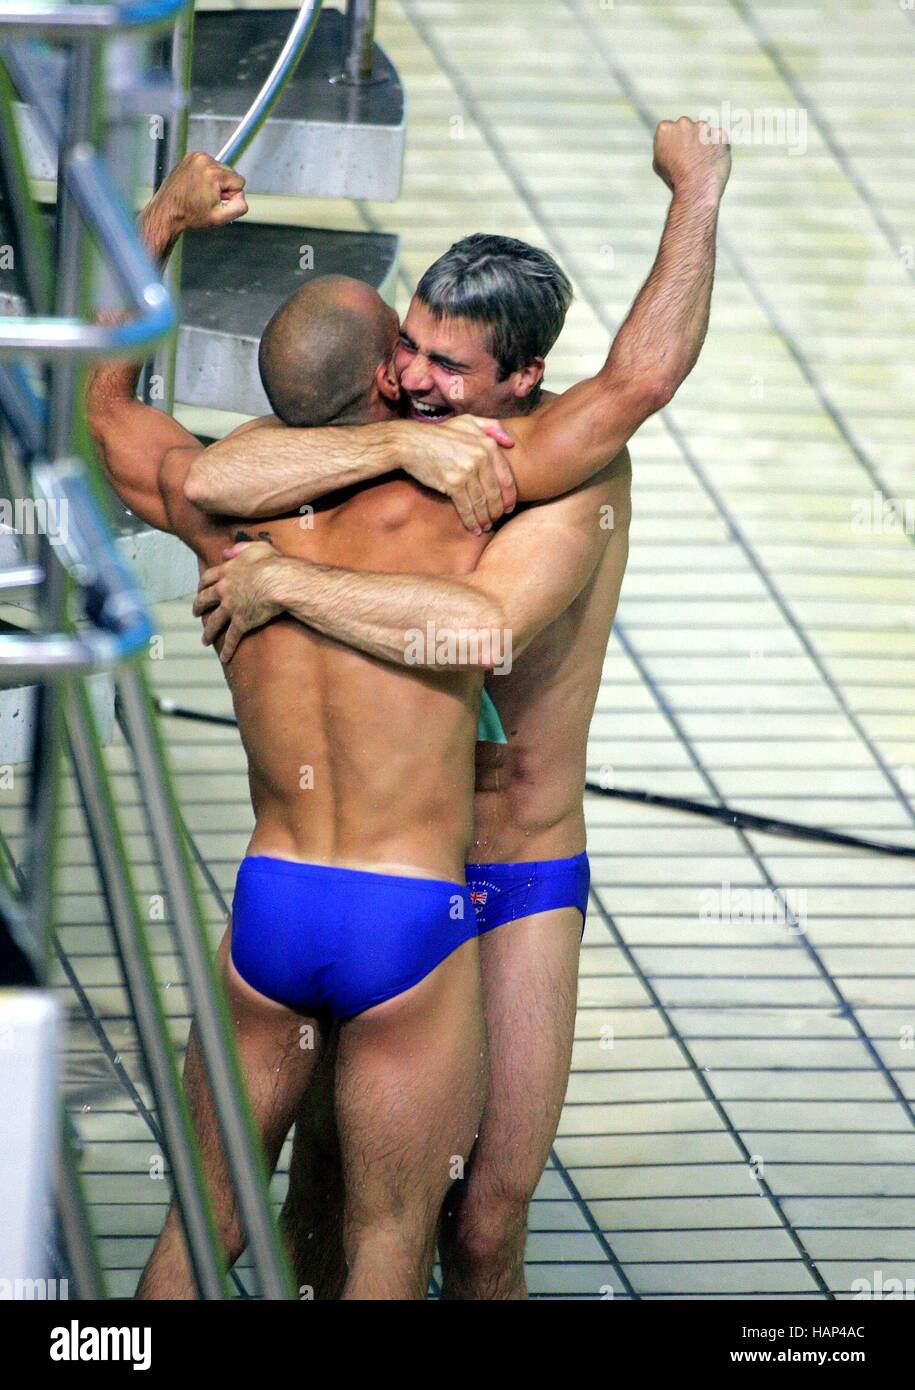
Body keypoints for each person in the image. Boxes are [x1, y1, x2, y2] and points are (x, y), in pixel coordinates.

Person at [184, 117, 732, 1297]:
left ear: (521, 380)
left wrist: (698, 186)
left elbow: (641, 376)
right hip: (383, 871)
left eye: (447, 367)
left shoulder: (547, 459)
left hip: (516, 871)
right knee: (329, 1195)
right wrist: (389, 439)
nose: (413, 379)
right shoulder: (384, 438)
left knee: (482, 1222)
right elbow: (204, 474)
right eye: (408, 349)